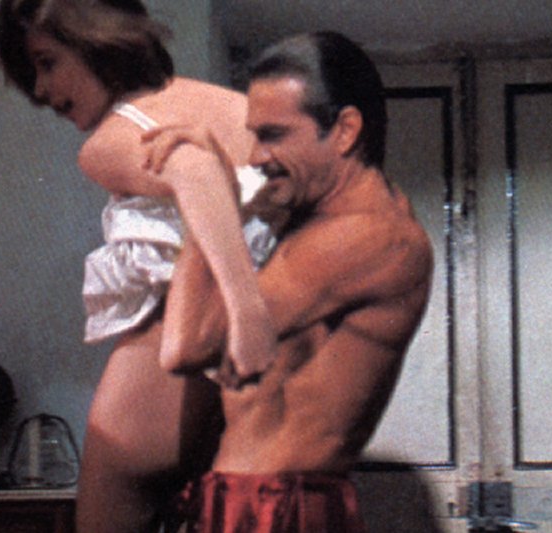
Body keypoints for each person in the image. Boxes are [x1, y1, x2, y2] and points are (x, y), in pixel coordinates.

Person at [0, 1, 280, 531]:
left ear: (95, 39)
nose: (41, 90)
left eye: (47, 62)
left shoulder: (113, 137)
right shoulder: (236, 108)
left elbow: (195, 170)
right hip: (231, 401)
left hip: (141, 415)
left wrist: (247, 312)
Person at [146, 31, 434, 531]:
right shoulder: (309, 218)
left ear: (344, 131)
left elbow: (187, 346)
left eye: (274, 135)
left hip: (279, 509)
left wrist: (209, 199)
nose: (257, 156)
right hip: (247, 498)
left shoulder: (368, 237)